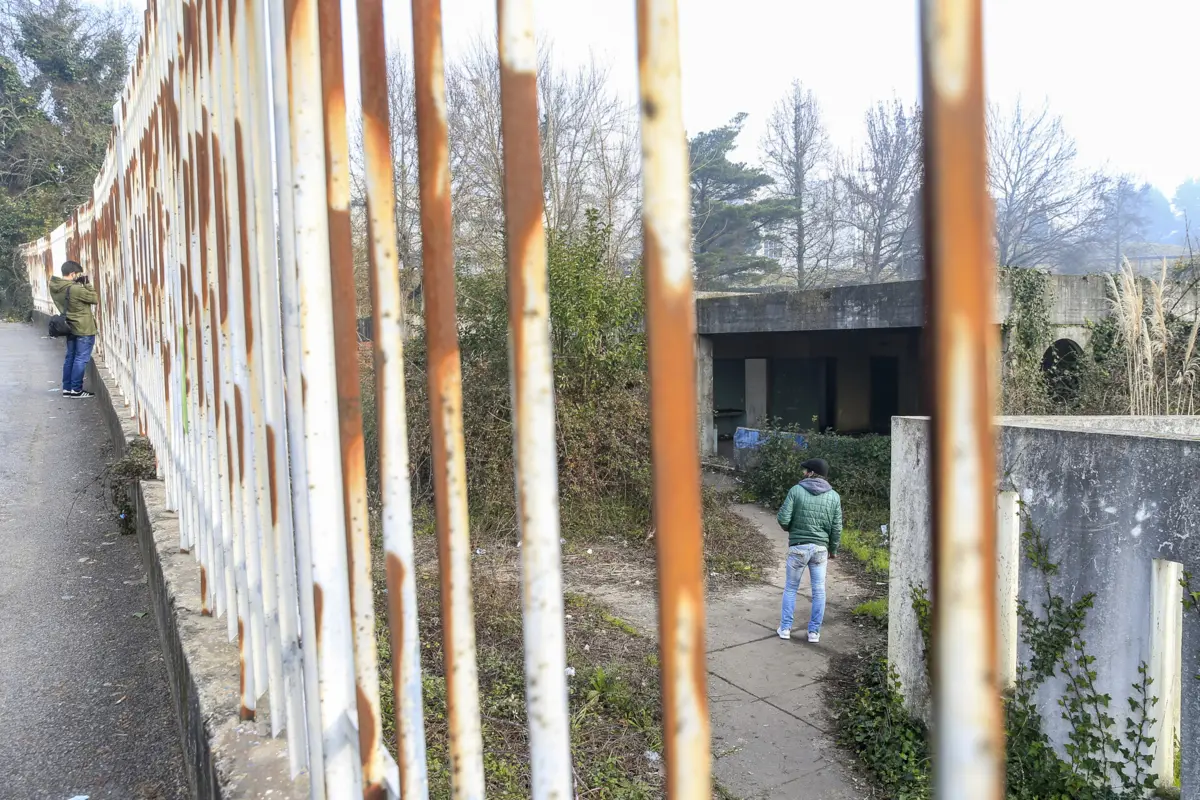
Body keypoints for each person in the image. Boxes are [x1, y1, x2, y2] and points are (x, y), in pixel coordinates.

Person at [775, 457, 842, 643]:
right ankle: (814, 633)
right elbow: (837, 527)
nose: (803, 473)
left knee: (791, 588)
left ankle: (786, 629)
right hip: (820, 549)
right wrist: (833, 549)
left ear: (812, 473)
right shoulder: (834, 496)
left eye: (805, 471)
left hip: (798, 547)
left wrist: (792, 530)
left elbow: (783, 518)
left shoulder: (796, 491)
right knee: (819, 590)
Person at [49, 260, 99, 399]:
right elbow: (94, 298)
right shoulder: (75, 288)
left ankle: (67, 388)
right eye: (78, 274)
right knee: (81, 359)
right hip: (83, 327)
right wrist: (87, 284)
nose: (78, 276)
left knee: (70, 357)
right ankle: (76, 390)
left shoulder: (55, 286)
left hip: (69, 326)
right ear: (72, 273)